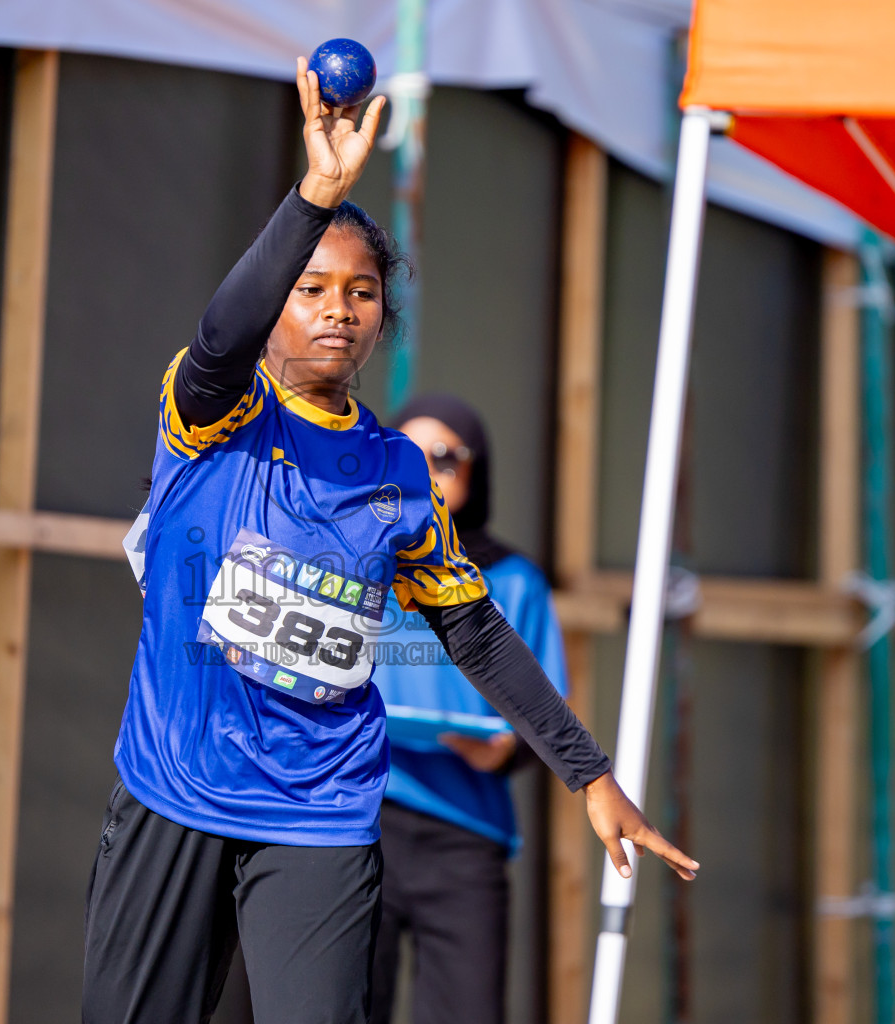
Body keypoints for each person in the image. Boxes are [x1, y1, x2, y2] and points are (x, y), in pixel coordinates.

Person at [81, 58, 697, 1024]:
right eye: (311, 287)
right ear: (279, 302)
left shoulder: (401, 474)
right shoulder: (213, 416)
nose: (336, 308)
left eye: (360, 292)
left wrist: (589, 771)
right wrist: (317, 194)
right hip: (177, 784)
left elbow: (475, 632)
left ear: (382, 317)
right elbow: (215, 338)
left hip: (319, 812)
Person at [368, 395, 565, 1024]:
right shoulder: (352, 557)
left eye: (446, 457)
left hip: (464, 838)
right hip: (354, 818)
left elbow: (543, 715)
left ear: (476, 472)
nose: (427, 471)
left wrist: (506, 751)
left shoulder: (513, 582)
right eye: (407, 454)